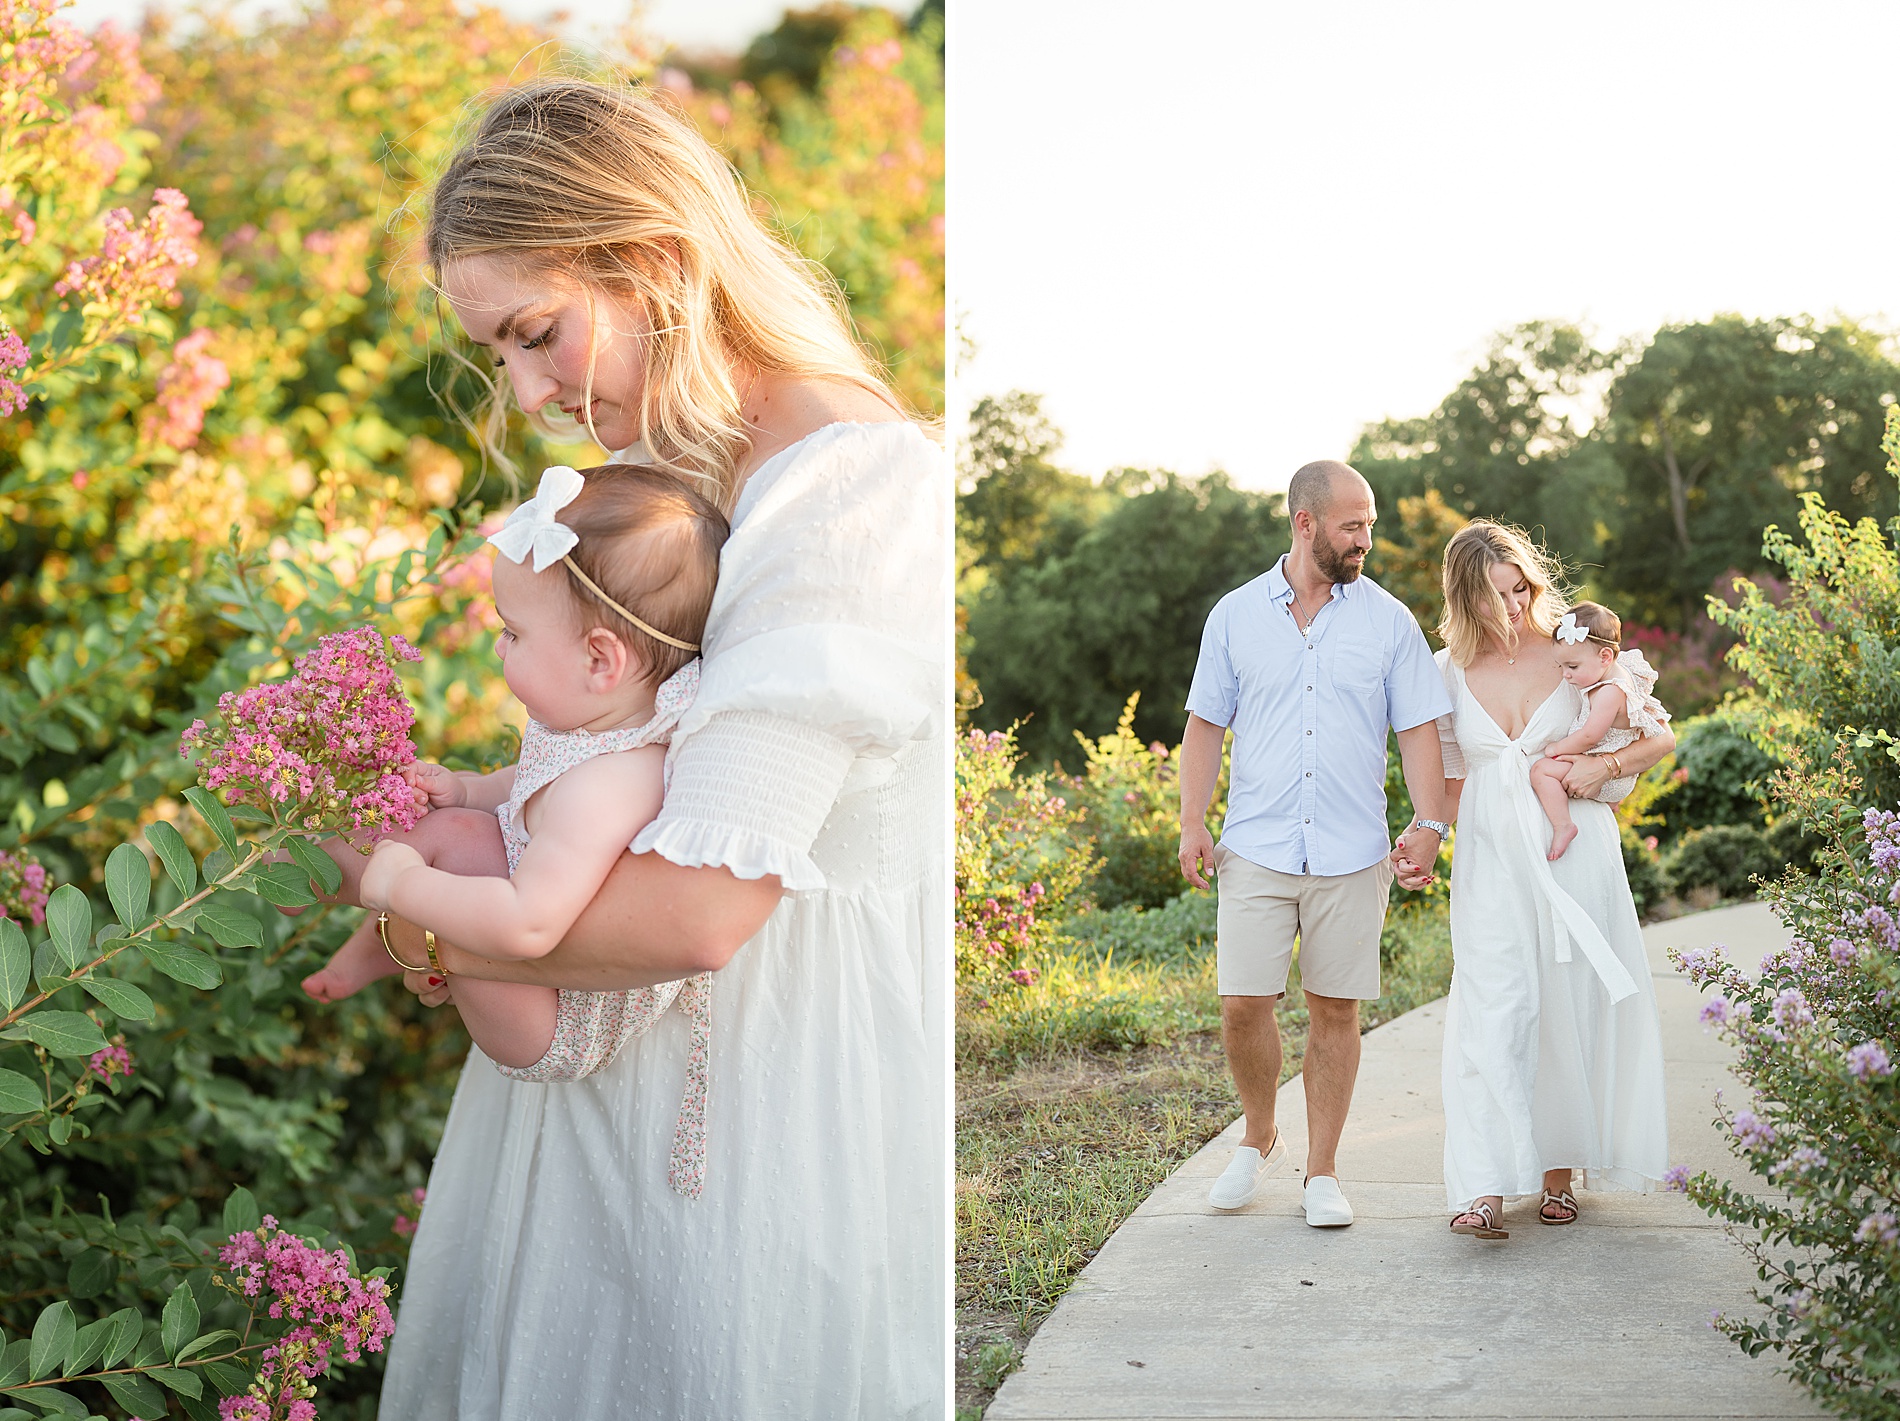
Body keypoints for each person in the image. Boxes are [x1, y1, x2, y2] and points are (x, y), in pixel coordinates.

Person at [309, 79, 946, 1418]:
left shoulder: (845, 487)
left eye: (538, 333)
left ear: (653, 260)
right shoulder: (673, 481)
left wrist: (421, 915)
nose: (529, 390)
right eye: (500, 352)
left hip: (749, 1127)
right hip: (590, 1100)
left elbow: (703, 911)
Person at [1178, 460, 1453, 1226]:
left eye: (1369, 523)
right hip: (1256, 846)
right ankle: (1259, 1134)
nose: (1366, 538)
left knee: (1336, 1008)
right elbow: (1204, 724)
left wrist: (1429, 827)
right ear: (1305, 524)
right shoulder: (1234, 616)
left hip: (1352, 850)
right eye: (1352, 525)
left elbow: (1419, 732)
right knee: (1241, 1004)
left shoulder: (1391, 621)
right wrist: (1191, 820)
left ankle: (1322, 1171)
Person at [1408, 522, 1670, 1240]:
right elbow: (1452, 784)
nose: (1516, 605)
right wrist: (1424, 833)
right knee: (1493, 1005)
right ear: (1465, 598)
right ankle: (1483, 1184)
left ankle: (1558, 1174)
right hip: (1491, 859)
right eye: (1497, 595)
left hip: (1575, 851)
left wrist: (1602, 767)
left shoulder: (1577, 653)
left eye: (1522, 586)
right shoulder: (1445, 672)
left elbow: (1658, 736)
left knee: (1565, 1004)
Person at [1526, 600, 1670, 860]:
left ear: (1605, 656)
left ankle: (1563, 826)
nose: (1565, 675)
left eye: (1572, 667)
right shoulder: (1617, 669)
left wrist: (1557, 748)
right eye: (1561, 667)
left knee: (1541, 771)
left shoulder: (1609, 692)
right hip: (1611, 772)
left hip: (1606, 774)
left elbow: (1590, 736)